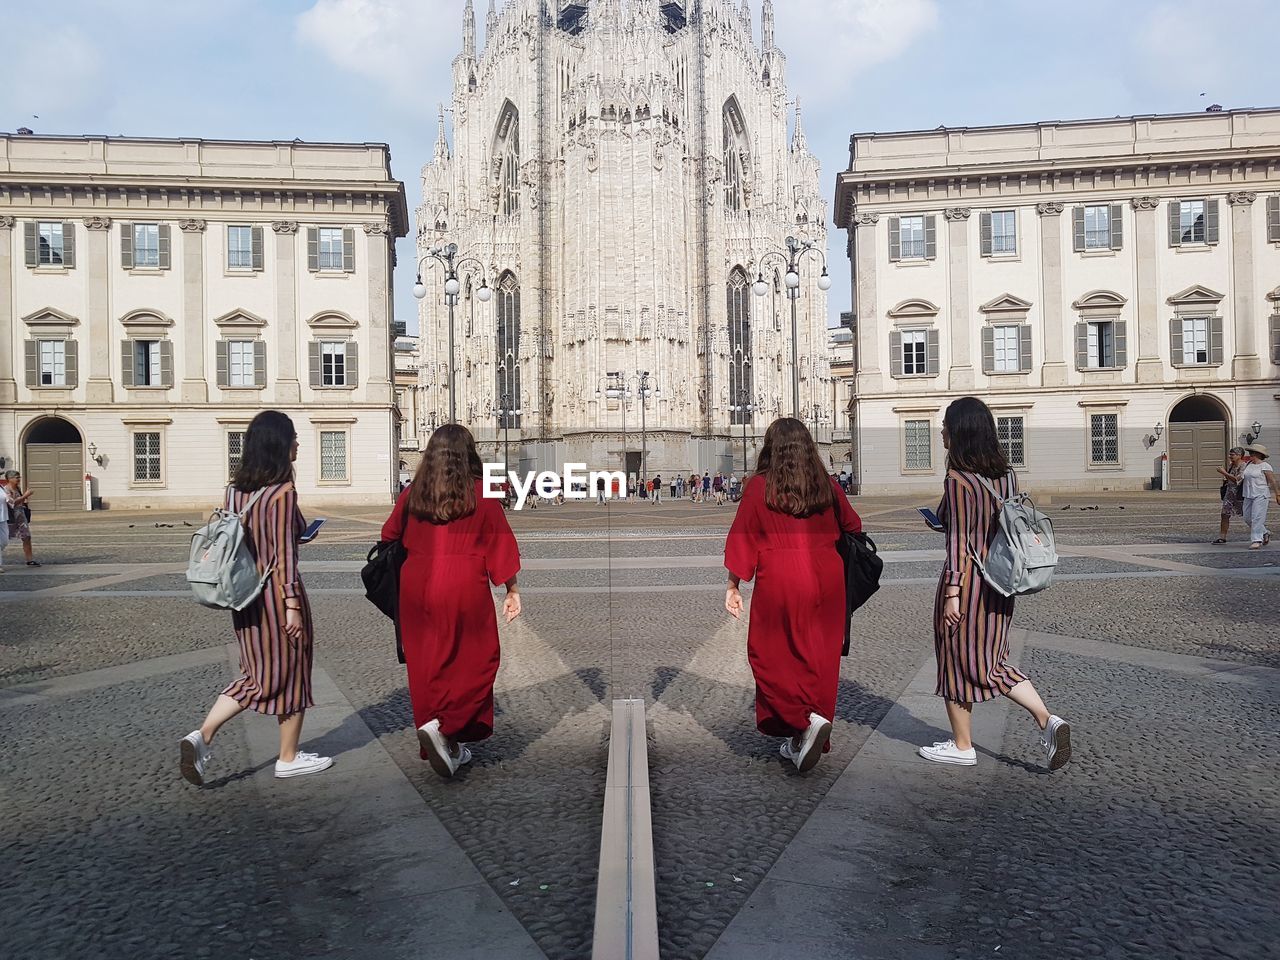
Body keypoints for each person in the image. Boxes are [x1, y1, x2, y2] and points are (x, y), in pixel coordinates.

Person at [179, 411, 331, 786]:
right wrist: (293, 606)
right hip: (276, 597)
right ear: (280, 444)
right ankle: (288, 758)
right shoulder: (282, 493)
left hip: (242, 596)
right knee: (292, 672)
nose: (298, 443)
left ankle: (203, 735)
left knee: (254, 674)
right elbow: (284, 555)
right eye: (294, 437)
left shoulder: (234, 491)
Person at [921, 396, 1071, 771]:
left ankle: (962, 746)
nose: (942, 432)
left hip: (969, 581)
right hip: (1002, 581)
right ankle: (1047, 720)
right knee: (994, 661)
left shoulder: (957, 480)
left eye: (946, 426)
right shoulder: (1007, 474)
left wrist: (952, 594)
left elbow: (957, 539)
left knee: (955, 660)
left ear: (959, 432)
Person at [382, 424, 522, 778]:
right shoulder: (481, 493)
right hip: (463, 586)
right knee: (479, 661)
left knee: (427, 664)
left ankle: (446, 742)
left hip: (416, 586)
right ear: (468, 454)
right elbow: (500, 544)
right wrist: (511, 589)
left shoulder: (414, 494)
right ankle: (445, 727)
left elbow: (388, 536)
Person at [724, 418, 863, 773]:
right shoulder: (827, 485)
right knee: (819, 658)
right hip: (828, 577)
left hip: (781, 579)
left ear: (771, 447)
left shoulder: (759, 487)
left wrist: (734, 584)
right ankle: (810, 728)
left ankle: (802, 722)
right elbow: (853, 525)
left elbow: (744, 536)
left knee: (768, 656)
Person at [1241, 443, 1279, 549]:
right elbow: (1242, 477)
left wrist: (1277, 494)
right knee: (1247, 517)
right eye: (1250, 452)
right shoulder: (1248, 464)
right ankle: (1265, 532)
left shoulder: (1265, 466)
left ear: (1258, 454)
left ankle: (1257, 539)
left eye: (1252, 453)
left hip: (1261, 494)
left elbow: (1272, 481)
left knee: (1257, 518)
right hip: (1248, 493)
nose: (1250, 454)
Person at [3, 472, 39, 566]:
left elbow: (20, 501)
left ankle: (29, 560)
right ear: (9, 479)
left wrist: (24, 500)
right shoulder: (6, 489)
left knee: (27, 536)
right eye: (16, 477)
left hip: (21, 516)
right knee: (4, 539)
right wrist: (25, 496)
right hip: (11, 517)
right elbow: (12, 503)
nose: (18, 479)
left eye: (19, 477)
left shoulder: (17, 488)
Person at [1213, 448, 1247, 543]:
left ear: (1240, 455)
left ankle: (1263, 533)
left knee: (1248, 516)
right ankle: (1222, 537)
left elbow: (1237, 480)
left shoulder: (1244, 466)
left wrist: (1224, 472)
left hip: (1240, 495)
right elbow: (1229, 478)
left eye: (1232, 455)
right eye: (1230, 454)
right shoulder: (1231, 465)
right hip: (1229, 494)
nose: (1230, 456)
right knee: (1224, 514)